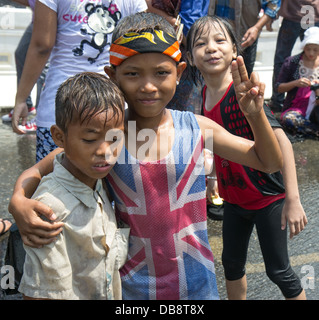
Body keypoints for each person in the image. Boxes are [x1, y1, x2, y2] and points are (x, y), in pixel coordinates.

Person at [9, 12, 283, 300]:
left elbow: (268, 162)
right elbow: (41, 169)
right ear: (112, 76)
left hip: (198, 287)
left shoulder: (198, 129)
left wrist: (255, 117)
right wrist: (18, 200)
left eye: (161, 73)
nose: (148, 86)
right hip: (132, 289)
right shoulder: (109, 137)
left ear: (179, 72)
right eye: (132, 73)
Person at [186, 15, 307, 300]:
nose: (211, 48)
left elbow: (283, 145)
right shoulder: (204, 95)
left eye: (219, 41)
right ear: (190, 58)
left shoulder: (244, 95)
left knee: (279, 271)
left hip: (268, 199)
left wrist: (293, 199)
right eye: (201, 44)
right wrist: (213, 176)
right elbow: (215, 141)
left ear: (234, 52)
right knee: (231, 265)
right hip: (234, 201)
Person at [18, 72, 129, 300]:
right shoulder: (50, 210)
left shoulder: (99, 182)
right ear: (59, 137)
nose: (105, 151)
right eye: (90, 140)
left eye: (115, 139)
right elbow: (39, 294)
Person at [11, 0, 147, 162]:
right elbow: (140, 48)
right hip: (114, 108)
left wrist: (21, 99)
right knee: (110, 182)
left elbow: (42, 46)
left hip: (60, 108)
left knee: (54, 179)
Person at [2, 0, 49, 133]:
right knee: (21, 54)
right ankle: (27, 106)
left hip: (51, 17)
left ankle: (40, 116)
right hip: (38, 17)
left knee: (44, 64)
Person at [269, 0, 319, 112]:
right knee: (287, 60)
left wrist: (271, 15)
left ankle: (278, 101)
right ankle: (280, 100)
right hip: (307, 13)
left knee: (282, 60)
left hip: (295, 13)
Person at [208, 0, 281, 76]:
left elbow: (273, 4)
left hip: (245, 40)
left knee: (243, 80)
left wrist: (257, 27)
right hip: (215, 40)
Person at [276, 26, 319, 137]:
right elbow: (278, 87)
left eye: (315, 50)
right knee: (289, 120)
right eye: (308, 48)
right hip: (297, 108)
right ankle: (314, 130)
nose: (311, 53)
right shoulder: (292, 62)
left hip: (316, 108)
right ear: (303, 46)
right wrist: (295, 83)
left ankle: (311, 130)